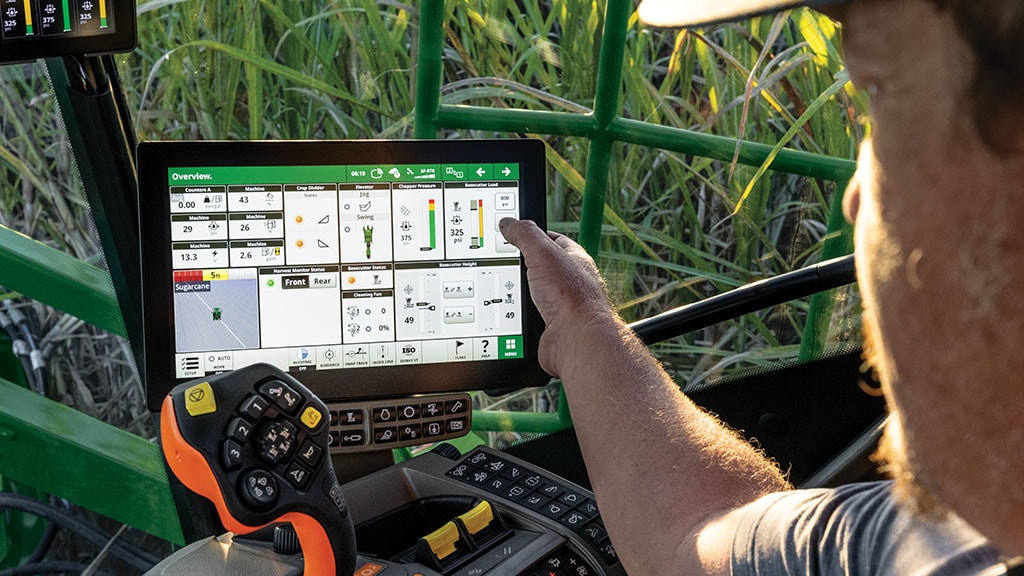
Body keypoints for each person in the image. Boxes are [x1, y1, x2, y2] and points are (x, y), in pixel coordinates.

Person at [498, 0, 1024, 573]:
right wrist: (581, 325)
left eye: (882, 91)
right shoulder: (925, 540)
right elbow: (690, 541)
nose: (853, 200)